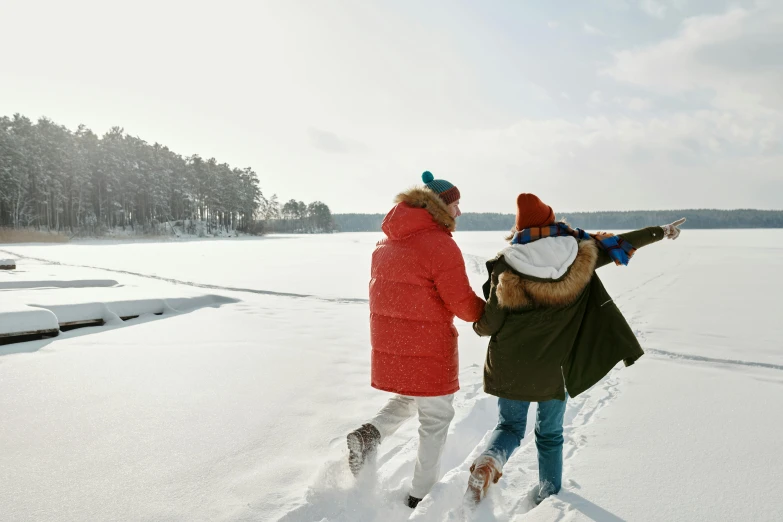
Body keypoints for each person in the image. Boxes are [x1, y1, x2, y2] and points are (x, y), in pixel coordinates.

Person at [466, 193, 686, 505]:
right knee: (550, 434)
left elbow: (489, 323)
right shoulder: (582, 252)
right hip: (556, 367)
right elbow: (624, 240)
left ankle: (488, 465)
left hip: (511, 362)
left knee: (511, 427)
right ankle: (549, 494)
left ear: (520, 228)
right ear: (551, 222)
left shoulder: (505, 264)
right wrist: (661, 231)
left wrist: (476, 325)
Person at [347, 171, 485, 509]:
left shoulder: (387, 242)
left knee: (410, 398)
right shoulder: (440, 244)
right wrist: (492, 312)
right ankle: (420, 495)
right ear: (439, 207)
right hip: (428, 345)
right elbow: (464, 305)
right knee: (435, 419)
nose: (459, 212)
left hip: (395, 345)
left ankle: (370, 434)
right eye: (455, 204)